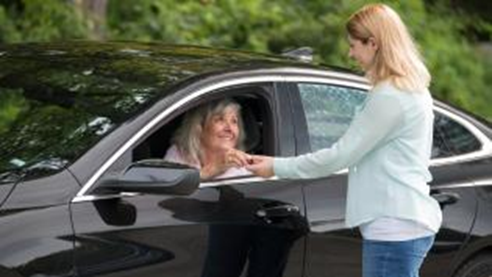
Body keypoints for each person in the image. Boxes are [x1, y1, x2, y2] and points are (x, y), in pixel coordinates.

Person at [246, 3, 442, 277]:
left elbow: (340, 156)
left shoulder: (390, 96)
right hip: (403, 221)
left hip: (394, 226)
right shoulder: (410, 88)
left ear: (373, 43)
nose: (351, 53)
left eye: (354, 45)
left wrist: (276, 167)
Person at [164, 98, 300, 277]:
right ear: (199, 127)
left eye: (234, 121)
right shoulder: (179, 154)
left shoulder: (245, 167)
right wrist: (211, 171)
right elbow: (166, 192)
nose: (229, 127)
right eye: (220, 119)